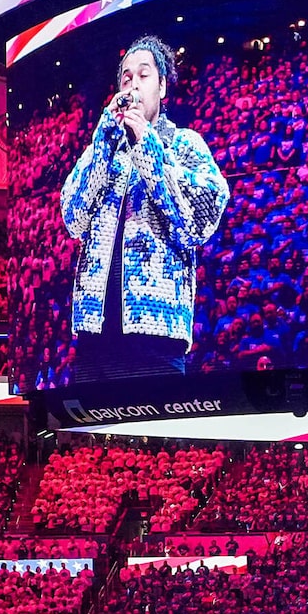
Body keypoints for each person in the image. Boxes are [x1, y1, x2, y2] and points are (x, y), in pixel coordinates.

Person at [56, 34, 230, 381]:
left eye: (143, 75)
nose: (133, 85)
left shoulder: (184, 143)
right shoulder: (102, 150)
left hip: (157, 336)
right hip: (94, 337)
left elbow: (194, 223)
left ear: (163, 87)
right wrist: (103, 142)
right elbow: (73, 218)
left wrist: (146, 146)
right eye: (126, 77)